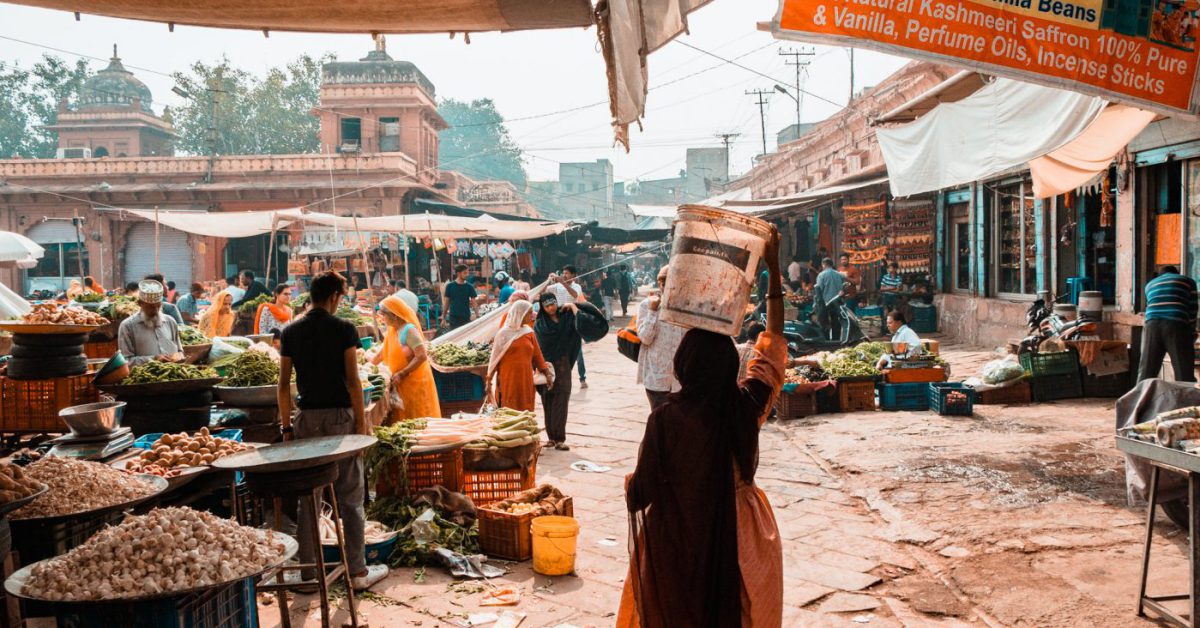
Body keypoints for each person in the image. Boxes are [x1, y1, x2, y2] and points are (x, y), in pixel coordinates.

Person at [616, 226, 786, 628]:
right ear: (730, 366)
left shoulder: (665, 419)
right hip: (741, 537)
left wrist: (631, 483)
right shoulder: (745, 408)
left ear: (683, 365)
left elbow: (641, 494)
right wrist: (773, 269)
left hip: (676, 539)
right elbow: (773, 342)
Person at [278, 271, 388, 592]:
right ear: (335, 297)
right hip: (340, 418)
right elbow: (354, 382)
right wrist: (363, 426)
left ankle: (309, 574)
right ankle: (356, 573)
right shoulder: (344, 329)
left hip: (306, 419)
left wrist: (286, 426)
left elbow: (284, 385)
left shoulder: (290, 331)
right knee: (351, 497)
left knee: (308, 497)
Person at [372, 295, 440, 421]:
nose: (381, 319)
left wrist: (402, 373)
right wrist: (366, 366)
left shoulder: (409, 331)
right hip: (400, 382)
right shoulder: (393, 331)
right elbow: (381, 354)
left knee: (418, 418)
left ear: (394, 315)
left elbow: (421, 356)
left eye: (383, 315)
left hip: (414, 383)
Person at [487, 300, 553, 413]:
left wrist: (547, 373)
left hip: (525, 378)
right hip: (508, 379)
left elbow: (537, 355)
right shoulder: (503, 334)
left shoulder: (529, 333)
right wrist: (489, 381)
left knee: (525, 408)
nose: (532, 315)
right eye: (529, 313)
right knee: (508, 409)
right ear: (520, 313)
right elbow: (495, 358)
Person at [534, 292, 581, 451]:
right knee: (548, 401)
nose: (551, 308)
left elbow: (583, 323)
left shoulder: (566, 318)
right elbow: (540, 348)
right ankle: (551, 438)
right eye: (546, 305)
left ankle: (560, 438)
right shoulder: (540, 324)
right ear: (542, 307)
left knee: (562, 400)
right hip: (545, 366)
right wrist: (542, 368)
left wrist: (573, 307)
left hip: (563, 365)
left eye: (552, 304)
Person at [1137, 266, 1199, 382]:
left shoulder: (1150, 285)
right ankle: (1184, 399)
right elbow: (1193, 309)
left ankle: (1141, 398)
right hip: (1176, 323)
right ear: (1177, 273)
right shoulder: (1187, 281)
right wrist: (1191, 332)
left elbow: (1151, 307)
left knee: (1147, 370)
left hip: (1151, 325)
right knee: (1183, 369)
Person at [636, 267, 686, 410]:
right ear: (660, 284)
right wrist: (652, 311)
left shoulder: (687, 308)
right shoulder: (647, 305)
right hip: (656, 376)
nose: (669, 288)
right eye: (665, 284)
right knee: (659, 422)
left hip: (682, 380)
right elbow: (645, 338)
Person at [117, 280, 184, 366]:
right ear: (140, 303)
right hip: (144, 378)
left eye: (158, 305)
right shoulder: (127, 326)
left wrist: (179, 356)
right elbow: (126, 361)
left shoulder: (170, 322)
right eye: (151, 306)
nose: (155, 310)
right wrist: (153, 359)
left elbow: (180, 351)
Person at [549, 266, 588, 389]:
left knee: (578, 350)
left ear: (573, 275)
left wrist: (562, 282)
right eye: (563, 273)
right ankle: (560, 377)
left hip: (572, 319)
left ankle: (582, 378)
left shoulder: (577, 286)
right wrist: (549, 279)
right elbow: (544, 291)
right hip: (560, 319)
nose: (564, 275)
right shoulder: (557, 286)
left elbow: (574, 295)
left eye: (567, 273)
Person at [442, 264, 481, 330]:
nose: (467, 275)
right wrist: (443, 318)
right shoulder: (450, 286)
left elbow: (474, 302)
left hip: (465, 317)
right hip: (454, 317)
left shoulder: (469, 287)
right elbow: (446, 303)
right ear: (458, 273)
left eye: (467, 273)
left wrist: (477, 315)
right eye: (465, 273)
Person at [813, 257, 844, 340]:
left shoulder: (821, 275)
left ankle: (826, 341)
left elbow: (818, 290)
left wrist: (816, 304)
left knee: (824, 323)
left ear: (823, 265)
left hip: (825, 303)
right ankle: (836, 341)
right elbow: (843, 289)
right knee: (836, 323)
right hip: (837, 303)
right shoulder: (839, 274)